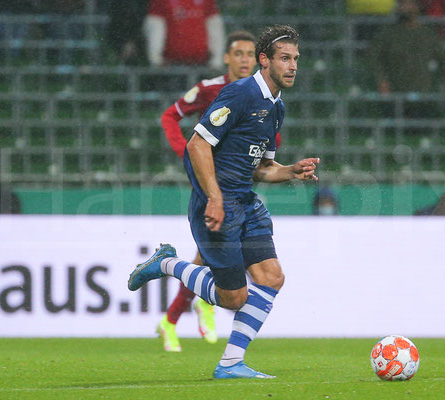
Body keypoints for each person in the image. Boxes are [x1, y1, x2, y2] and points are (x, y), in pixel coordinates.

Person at [128, 24, 319, 379]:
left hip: (245, 202)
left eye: (296, 59)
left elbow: (262, 168)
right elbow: (197, 144)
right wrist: (214, 197)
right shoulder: (241, 93)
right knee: (233, 298)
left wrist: (291, 171)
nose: (292, 66)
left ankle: (231, 363)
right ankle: (166, 263)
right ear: (265, 60)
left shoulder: (276, 108)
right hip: (216, 204)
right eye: (284, 58)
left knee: (271, 277)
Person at [158, 30, 282, 353]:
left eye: (249, 54)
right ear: (226, 58)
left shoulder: (267, 99)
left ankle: (177, 316)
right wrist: (184, 153)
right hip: (212, 181)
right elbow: (171, 117)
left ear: (258, 60)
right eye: (237, 54)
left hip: (240, 183)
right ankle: (191, 308)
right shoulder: (211, 89)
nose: (244, 60)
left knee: (210, 258)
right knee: (213, 258)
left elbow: (266, 141)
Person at [368, 0, 445, 114]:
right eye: (401, 3)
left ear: (417, 6)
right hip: (395, 96)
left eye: (407, 3)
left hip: (423, 96)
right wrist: (381, 80)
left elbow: (444, 61)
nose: (403, 7)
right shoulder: (387, 34)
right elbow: (373, 57)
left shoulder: (428, 34)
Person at [143, 0, 224, 69]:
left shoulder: (207, 2)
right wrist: (156, 58)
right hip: (171, 63)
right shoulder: (161, 2)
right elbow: (155, 27)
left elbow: (214, 27)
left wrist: (217, 59)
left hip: (201, 61)